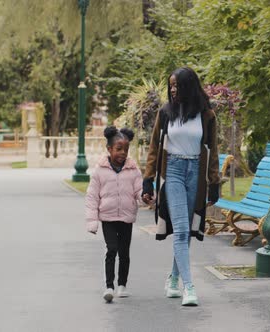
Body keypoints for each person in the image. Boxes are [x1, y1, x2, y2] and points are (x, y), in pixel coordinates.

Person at [142, 67, 220, 307]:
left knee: (186, 230)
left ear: (189, 86)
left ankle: (174, 277)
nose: (173, 90)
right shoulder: (166, 113)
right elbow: (155, 146)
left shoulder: (206, 115)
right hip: (173, 171)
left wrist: (214, 183)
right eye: (171, 86)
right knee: (183, 229)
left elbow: (212, 150)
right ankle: (189, 287)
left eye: (177, 85)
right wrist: (149, 179)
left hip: (195, 173)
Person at [85, 126, 142, 303]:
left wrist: (147, 197)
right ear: (109, 149)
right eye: (119, 149)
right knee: (112, 249)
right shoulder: (99, 171)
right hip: (108, 218)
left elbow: (139, 191)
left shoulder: (133, 170)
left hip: (126, 217)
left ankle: (122, 284)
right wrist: (92, 221)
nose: (123, 153)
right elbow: (92, 197)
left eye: (126, 149)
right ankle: (109, 286)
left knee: (124, 252)